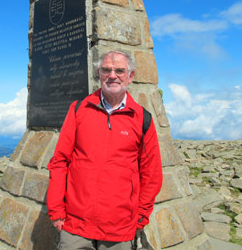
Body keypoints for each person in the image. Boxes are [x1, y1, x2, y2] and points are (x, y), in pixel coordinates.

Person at [47, 51, 163, 250]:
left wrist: (141, 216)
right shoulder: (79, 109)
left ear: (130, 76)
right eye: (106, 70)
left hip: (119, 228)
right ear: (99, 74)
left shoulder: (142, 119)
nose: (112, 75)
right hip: (76, 226)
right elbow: (59, 162)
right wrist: (56, 212)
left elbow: (151, 173)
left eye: (119, 70)